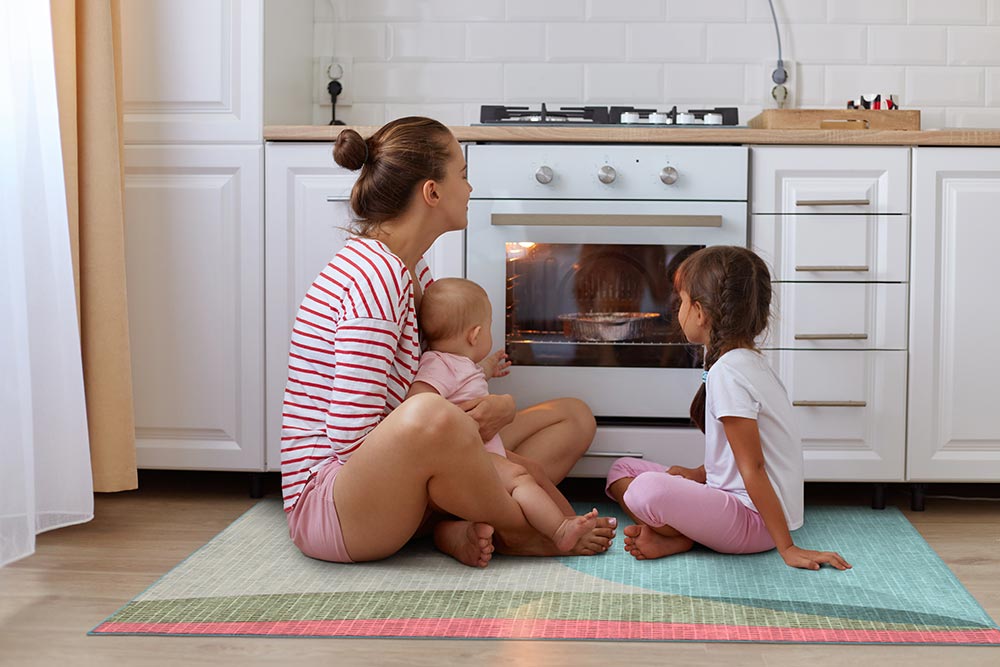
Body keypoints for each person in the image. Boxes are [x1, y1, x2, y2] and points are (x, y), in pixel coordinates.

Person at [280, 116, 613, 568]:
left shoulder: (411, 269)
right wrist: (470, 444)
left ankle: (452, 527)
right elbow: (348, 436)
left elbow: (433, 378)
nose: (470, 187)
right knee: (443, 423)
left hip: (396, 476)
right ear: (431, 193)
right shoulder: (376, 278)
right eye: (461, 174)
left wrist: (491, 417)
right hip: (334, 509)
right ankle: (526, 534)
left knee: (571, 417)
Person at [605, 246, 851, 571]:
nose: (677, 310)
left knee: (645, 489)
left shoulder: (729, 373)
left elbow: (755, 468)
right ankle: (683, 533)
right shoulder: (743, 362)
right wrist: (697, 475)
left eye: (681, 301)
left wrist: (787, 548)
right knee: (622, 470)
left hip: (754, 520)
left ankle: (681, 537)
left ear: (700, 312)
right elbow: (739, 457)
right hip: (738, 504)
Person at [409, 277, 602, 553]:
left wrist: (486, 368)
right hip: (467, 460)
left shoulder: (456, 363)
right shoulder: (437, 365)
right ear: (475, 335)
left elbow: (464, 378)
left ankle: (568, 523)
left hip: (483, 451)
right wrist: (456, 422)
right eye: (488, 328)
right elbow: (418, 405)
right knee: (520, 481)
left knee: (530, 472)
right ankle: (557, 531)